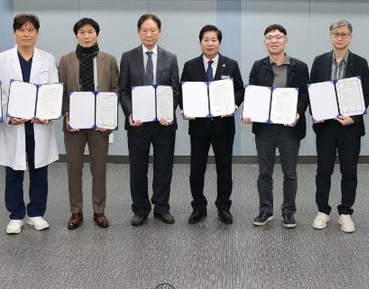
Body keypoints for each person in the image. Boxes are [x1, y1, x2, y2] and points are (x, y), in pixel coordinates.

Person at [0, 14, 59, 234]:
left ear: (37, 33)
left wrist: (47, 113)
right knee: (14, 172)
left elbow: (52, 90)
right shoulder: (2, 59)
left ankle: (36, 213)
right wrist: (8, 116)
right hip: (15, 126)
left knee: (39, 171)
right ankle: (15, 215)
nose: (26, 34)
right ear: (14, 33)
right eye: (21, 30)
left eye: (31, 30)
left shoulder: (47, 59)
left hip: (39, 126)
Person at [244, 24, 309, 229]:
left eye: (278, 37)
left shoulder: (299, 66)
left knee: (290, 173)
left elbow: (304, 94)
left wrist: (298, 112)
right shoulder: (258, 66)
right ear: (265, 42)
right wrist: (249, 112)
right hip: (265, 129)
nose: (274, 40)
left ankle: (288, 211)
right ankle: (266, 210)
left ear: (285, 40)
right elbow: (252, 93)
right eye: (269, 37)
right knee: (265, 172)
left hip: (290, 128)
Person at [310, 19, 369, 233]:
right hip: (326, 127)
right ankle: (323, 211)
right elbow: (312, 91)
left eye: (344, 34)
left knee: (349, 171)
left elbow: (366, 94)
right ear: (330, 37)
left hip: (350, 127)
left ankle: (345, 212)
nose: (339, 38)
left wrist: (354, 117)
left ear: (350, 37)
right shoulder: (319, 61)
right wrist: (316, 114)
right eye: (336, 34)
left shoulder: (360, 62)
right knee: (323, 170)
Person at [58, 18, 119, 230]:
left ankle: (99, 211)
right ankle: (76, 212)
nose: (86, 36)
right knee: (74, 169)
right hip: (74, 124)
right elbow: (60, 91)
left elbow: (115, 89)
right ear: (76, 35)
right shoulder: (65, 60)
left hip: (99, 125)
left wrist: (108, 116)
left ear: (97, 34)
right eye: (82, 32)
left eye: (90, 31)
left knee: (99, 169)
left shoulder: (109, 60)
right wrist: (66, 114)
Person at [119, 14, 180, 226]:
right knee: (138, 169)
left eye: (153, 30)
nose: (149, 34)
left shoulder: (170, 58)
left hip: (164, 124)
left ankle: (162, 207)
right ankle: (140, 208)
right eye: (145, 30)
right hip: (138, 124)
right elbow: (123, 90)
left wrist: (168, 112)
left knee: (164, 168)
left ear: (159, 32)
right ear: (138, 32)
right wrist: (130, 113)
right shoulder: (128, 57)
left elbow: (175, 90)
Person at [180, 25, 244, 225]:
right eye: (206, 39)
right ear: (200, 42)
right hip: (199, 127)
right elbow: (183, 92)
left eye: (213, 40)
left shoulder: (230, 64)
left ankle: (224, 207)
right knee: (196, 170)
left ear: (219, 43)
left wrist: (233, 105)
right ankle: (198, 207)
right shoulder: (190, 66)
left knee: (224, 169)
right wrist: (185, 108)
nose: (210, 43)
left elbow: (240, 90)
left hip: (223, 127)